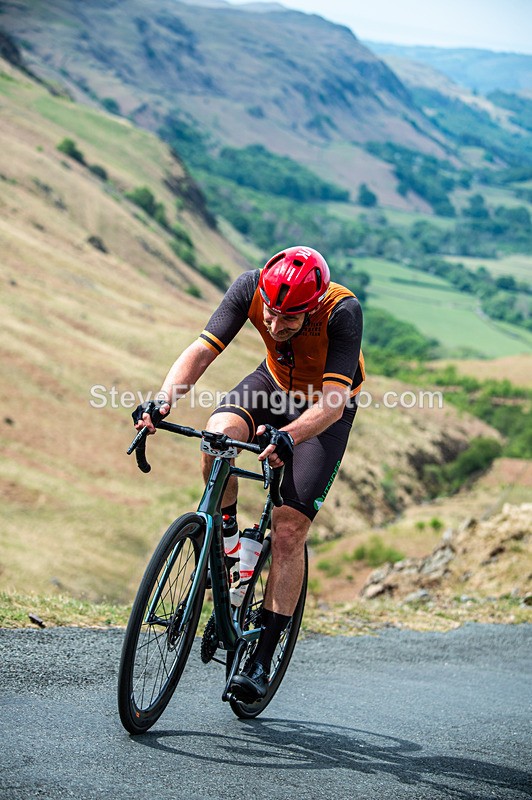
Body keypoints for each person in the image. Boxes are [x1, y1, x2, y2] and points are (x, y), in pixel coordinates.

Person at [133, 245, 364, 701]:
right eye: (272, 313)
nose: (275, 326)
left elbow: (334, 403)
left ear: (313, 306)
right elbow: (202, 351)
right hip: (271, 384)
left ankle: (262, 657)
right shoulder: (249, 286)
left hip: (323, 411)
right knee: (216, 437)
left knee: (288, 530)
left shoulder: (342, 312)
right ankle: (229, 543)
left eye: (290, 319)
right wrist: (162, 401)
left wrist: (289, 436)